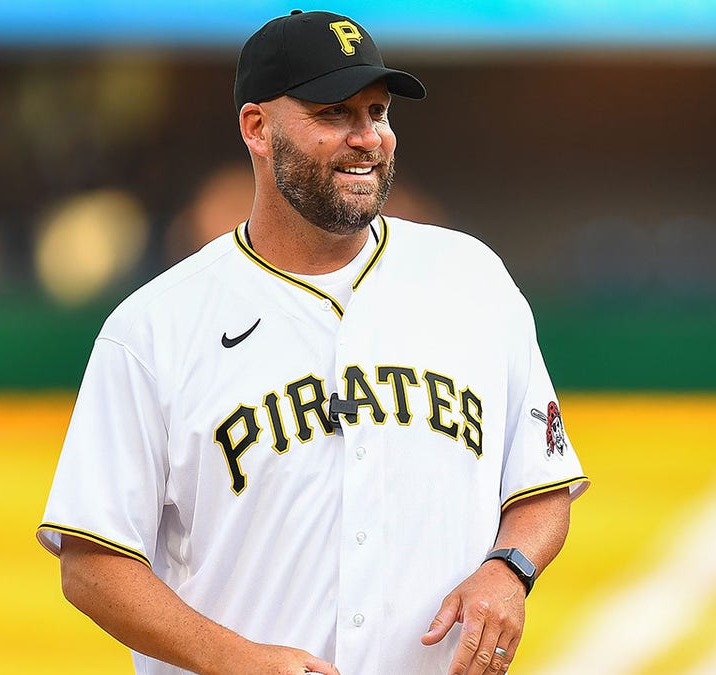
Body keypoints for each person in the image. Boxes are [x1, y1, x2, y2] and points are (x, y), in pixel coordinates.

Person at [37, 10, 588, 675]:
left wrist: (510, 568)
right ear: (256, 128)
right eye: (334, 113)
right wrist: (238, 660)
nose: (367, 138)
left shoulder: (472, 279)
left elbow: (541, 481)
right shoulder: (155, 326)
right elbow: (91, 564)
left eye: (378, 112)